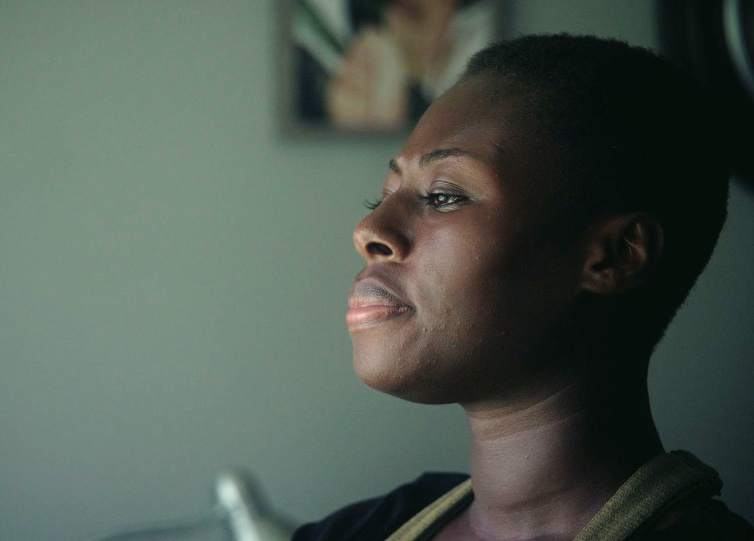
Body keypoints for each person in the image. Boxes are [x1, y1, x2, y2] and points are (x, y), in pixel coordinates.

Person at [293, 34, 754, 540]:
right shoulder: (363, 529)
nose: (369, 232)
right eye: (380, 196)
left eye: (444, 196)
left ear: (614, 257)